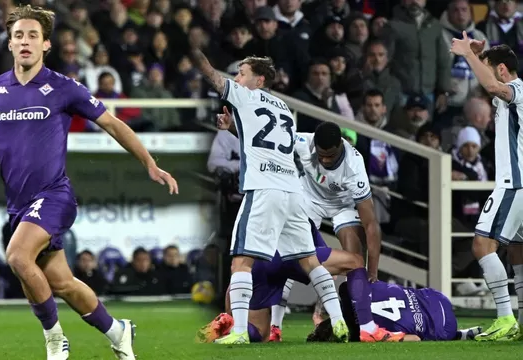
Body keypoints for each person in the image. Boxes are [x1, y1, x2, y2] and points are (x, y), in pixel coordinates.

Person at [0, 5, 178, 360]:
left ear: (46, 44)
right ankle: (118, 330)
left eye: (32, 35)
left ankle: (55, 340)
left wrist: (149, 163)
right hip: (19, 203)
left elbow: (113, 124)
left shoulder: (64, 88)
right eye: (18, 35)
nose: (25, 41)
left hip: (54, 195)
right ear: (9, 44)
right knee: (62, 283)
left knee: (18, 256)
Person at [190, 49, 347, 344]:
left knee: (241, 263)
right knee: (311, 262)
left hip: (264, 190)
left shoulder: (245, 96)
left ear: (259, 80)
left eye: (242, 73)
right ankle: (339, 324)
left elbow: (212, 75)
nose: (237, 78)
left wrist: (194, 53)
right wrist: (233, 128)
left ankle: (238, 332)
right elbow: (267, 143)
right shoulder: (284, 108)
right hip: (292, 192)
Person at [195, 223, 404, 343]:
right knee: (355, 261)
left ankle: (229, 323)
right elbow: (322, 268)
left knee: (259, 333)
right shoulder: (299, 198)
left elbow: (239, 267)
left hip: (261, 262)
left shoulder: (257, 200)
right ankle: (367, 329)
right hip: (292, 254)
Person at [450, 33, 523, 341]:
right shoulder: (511, 91)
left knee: (482, 245)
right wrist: (480, 57)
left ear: (503, 70)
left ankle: (505, 319)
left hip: (514, 183)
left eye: (489, 67)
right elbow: (491, 83)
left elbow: (493, 85)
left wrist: (467, 54)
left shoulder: (517, 89)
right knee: (518, 253)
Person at [289, 122, 384, 335]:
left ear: (340, 146)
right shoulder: (304, 142)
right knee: (291, 252)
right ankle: (276, 325)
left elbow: (371, 224)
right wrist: (231, 127)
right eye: (321, 155)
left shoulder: (354, 167)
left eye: (330, 156)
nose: (324, 160)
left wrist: (373, 272)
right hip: (309, 200)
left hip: (343, 205)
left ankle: (363, 324)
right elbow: (264, 137)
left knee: (354, 259)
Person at [307, 280, 483, 342]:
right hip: (437, 297)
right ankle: (460, 335)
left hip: (445, 328)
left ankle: (457, 335)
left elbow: (414, 338)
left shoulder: (362, 334)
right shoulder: (349, 289)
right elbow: (327, 290)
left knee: (416, 330)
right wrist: (319, 315)